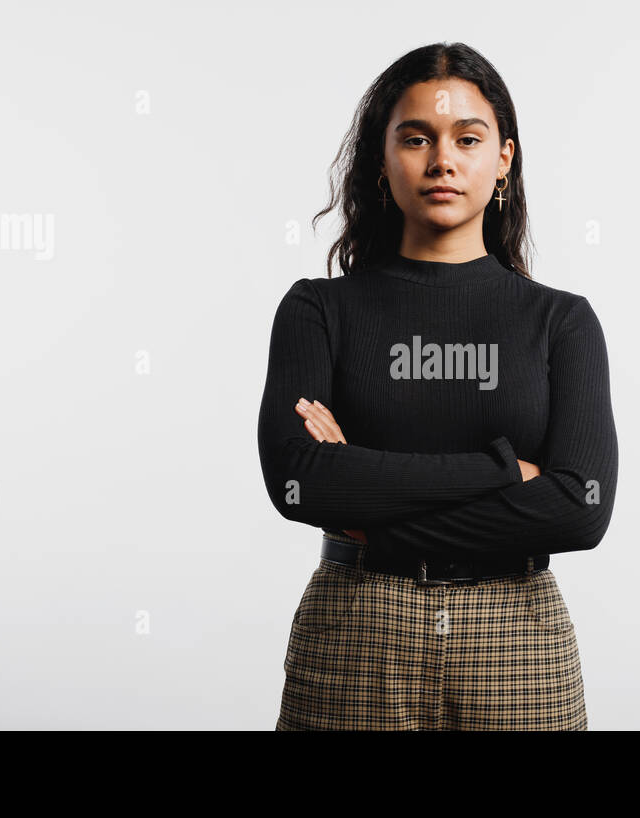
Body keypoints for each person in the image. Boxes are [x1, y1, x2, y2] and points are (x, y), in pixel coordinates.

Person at [257, 41, 618, 730]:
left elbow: (580, 506)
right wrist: (505, 470)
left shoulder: (561, 321)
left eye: (468, 138)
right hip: (356, 635)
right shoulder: (319, 310)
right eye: (416, 137)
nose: (443, 160)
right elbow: (300, 480)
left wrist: (369, 510)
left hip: (517, 637)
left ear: (503, 159)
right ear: (382, 157)